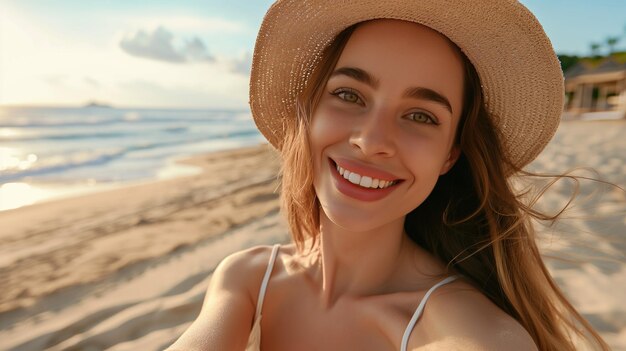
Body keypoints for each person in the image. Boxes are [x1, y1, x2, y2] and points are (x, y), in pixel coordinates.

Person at [168, 1, 610, 350]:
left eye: (420, 115)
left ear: (450, 155)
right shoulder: (247, 278)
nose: (371, 139)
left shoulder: (462, 328)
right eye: (348, 94)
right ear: (307, 114)